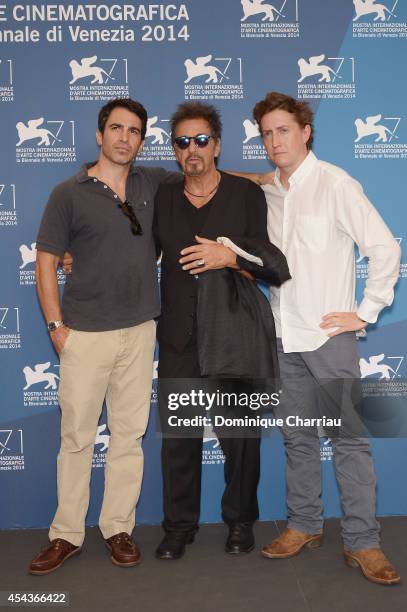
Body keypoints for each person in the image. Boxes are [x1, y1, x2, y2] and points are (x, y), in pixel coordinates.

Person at [253, 91, 401, 585]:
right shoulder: (269, 189)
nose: (275, 141)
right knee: (297, 438)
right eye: (267, 133)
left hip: (327, 337)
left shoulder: (336, 182)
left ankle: (363, 542)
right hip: (281, 335)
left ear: (305, 132)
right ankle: (303, 525)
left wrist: (365, 311)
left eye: (283, 131)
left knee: (348, 441)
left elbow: (384, 248)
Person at [29, 98, 181, 574]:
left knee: (128, 437)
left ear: (141, 140)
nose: (124, 138)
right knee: (76, 438)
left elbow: (209, 179)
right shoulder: (67, 193)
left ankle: (118, 528)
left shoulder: (152, 182)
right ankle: (66, 534)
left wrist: (274, 178)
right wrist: (57, 328)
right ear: (100, 135)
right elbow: (46, 262)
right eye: (116, 128)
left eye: (134, 131)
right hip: (84, 336)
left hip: (139, 333)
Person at [154, 101, 290, 560]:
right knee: (179, 441)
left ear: (217, 146)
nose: (192, 149)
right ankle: (178, 527)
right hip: (178, 335)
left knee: (240, 439)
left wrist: (228, 256)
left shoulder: (244, 195)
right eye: (182, 141)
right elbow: (136, 252)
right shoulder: (163, 197)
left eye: (201, 140)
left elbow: (268, 264)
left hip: (233, 330)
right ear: (174, 150)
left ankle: (240, 521)